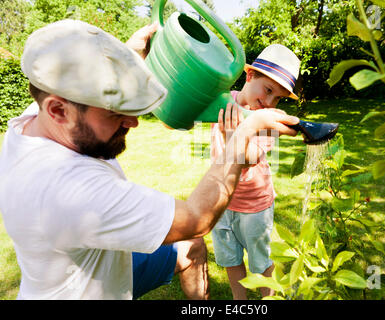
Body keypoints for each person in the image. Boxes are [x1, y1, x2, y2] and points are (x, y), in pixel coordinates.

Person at [0, 20, 299, 300]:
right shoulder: (71, 191)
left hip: (95, 255)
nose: (134, 123)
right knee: (193, 237)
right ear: (58, 111)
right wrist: (239, 142)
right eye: (115, 112)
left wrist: (127, 57)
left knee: (191, 250)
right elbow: (197, 218)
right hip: (92, 289)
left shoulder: (35, 119)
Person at [210, 44, 301, 299]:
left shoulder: (270, 118)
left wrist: (233, 138)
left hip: (254, 206)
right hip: (221, 200)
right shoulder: (222, 101)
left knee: (260, 264)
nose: (270, 101)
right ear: (250, 76)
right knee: (231, 260)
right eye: (269, 90)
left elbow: (249, 159)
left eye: (278, 98)